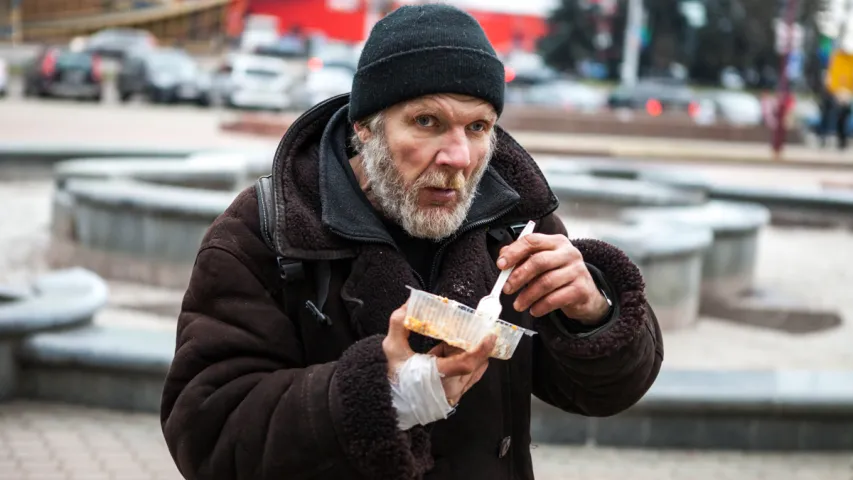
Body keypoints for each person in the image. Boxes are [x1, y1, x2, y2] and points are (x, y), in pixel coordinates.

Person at [160, 5, 663, 480]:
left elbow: (605, 394)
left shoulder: (516, 221)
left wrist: (593, 314)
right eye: (428, 122)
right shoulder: (268, 230)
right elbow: (206, 431)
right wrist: (378, 394)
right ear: (366, 127)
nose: (459, 156)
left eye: (478, 126)